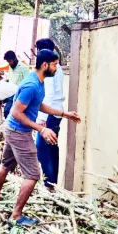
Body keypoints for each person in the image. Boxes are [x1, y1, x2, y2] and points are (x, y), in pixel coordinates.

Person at [0, 50, 81, 226]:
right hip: (18, 131)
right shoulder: (32, 85)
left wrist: (64, 114)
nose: (57, 68)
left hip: (12, 129)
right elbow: (16, 113)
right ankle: (16, 216)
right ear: (45, 65)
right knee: (33, 175)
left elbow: (38, 104)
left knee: (6, 165)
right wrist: (41, 129)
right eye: (55, 65)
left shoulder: (38, 82)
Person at [34, 39, 66, 192]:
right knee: (52, 147)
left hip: (50, 114)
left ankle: (49, 183)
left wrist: (41, 118)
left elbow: (49, 94)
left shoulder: (49, 68)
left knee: (42, 147)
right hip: (56, 111)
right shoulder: (57, 67)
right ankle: (52, 183)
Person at [2, 50, 30, 119]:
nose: (9, 63)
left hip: (19, 94)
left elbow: (27, 82)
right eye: (8, 61)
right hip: (10, 93)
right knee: (6, 111)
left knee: (13, 112)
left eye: (10, 61)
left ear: (15, 58)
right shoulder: (10, 67)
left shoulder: (24, 67)